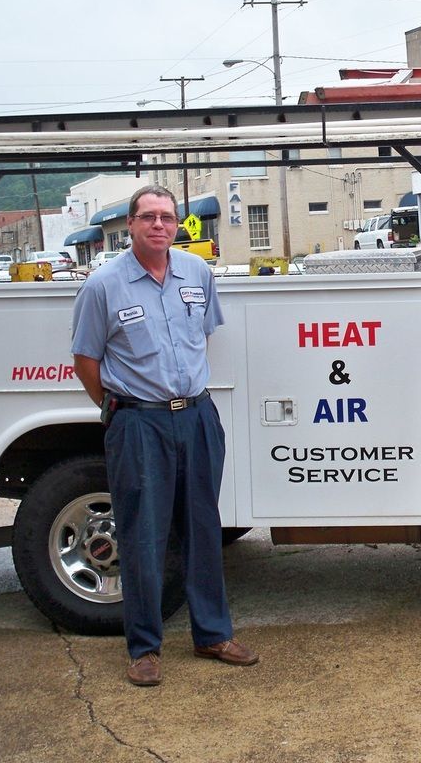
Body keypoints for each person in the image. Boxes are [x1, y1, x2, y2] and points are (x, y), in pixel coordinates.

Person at [71, 184, 258, 686]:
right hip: (139, 423)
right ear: (129, 225)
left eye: (168, 218)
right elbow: (86, 359)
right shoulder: (103, 286)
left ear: (178, 226)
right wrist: (117, 410)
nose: (159, 225)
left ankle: (213, 634)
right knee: (143, 536)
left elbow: (203, 337)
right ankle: (144, 648)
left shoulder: (196, 273)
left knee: (203, 529)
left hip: (196, 417)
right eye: (148, 216)